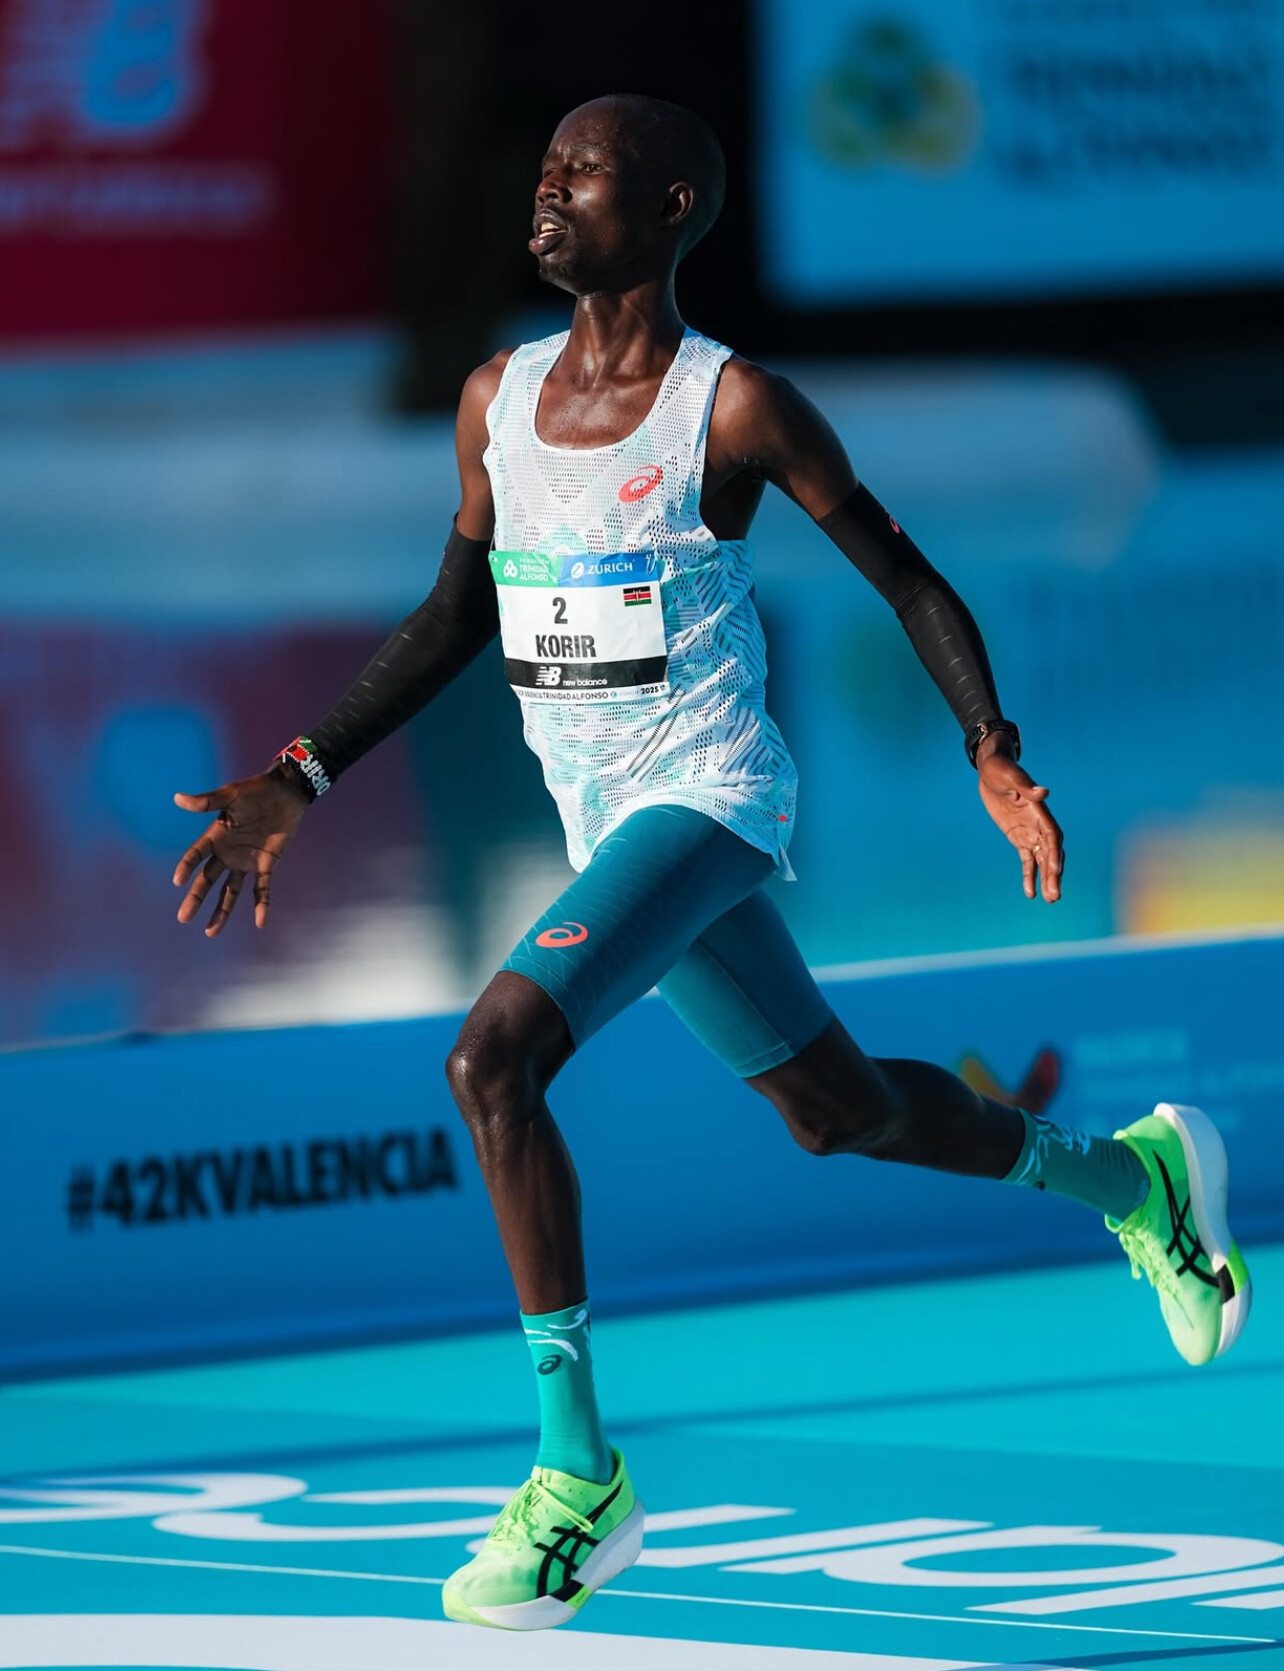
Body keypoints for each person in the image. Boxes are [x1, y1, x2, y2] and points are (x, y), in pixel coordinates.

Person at [172, 95, 1252, 1633]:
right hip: (605, 824)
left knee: (493, 1060)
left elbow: (905, 574)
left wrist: (989, 748)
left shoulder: (733, 410)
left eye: (583, 175)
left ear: (672, 206)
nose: (548, 195)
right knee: (840, 1114)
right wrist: (299, 777)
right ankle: (1135, 1179)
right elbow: (453, 616)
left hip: (710, 799)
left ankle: (575, 1478)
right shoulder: (496, 398)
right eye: (543, 170)